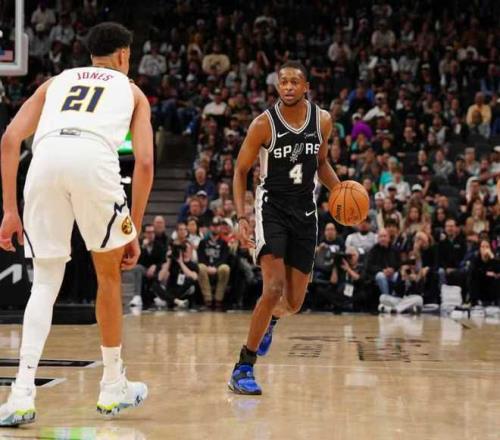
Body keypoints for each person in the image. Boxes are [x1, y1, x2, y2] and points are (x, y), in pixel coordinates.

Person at [0, 22, 154, 425]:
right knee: (108, 276)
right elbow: (144, 163)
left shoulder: (56, 82)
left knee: (44, 283)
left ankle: (20, 394)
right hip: (93, 159)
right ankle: (112, 384)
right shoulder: (132, 91)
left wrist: (10, 211)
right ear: (123, 55)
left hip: (45, 159)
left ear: (90, 55)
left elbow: (10, 139)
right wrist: (133, 227)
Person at [229, 60, 340, 395]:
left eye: (294, 82)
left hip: (305, 212)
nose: (288, 87)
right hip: (272, 208)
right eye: (283, 82)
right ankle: (243, 366)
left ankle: (271, 320)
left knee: (293, 303)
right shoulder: (263, 124)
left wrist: (341, 192)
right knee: (273, 287)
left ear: (306, 86)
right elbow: (240, 171)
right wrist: (242, 216)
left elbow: (321, 163)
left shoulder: (323, 120)